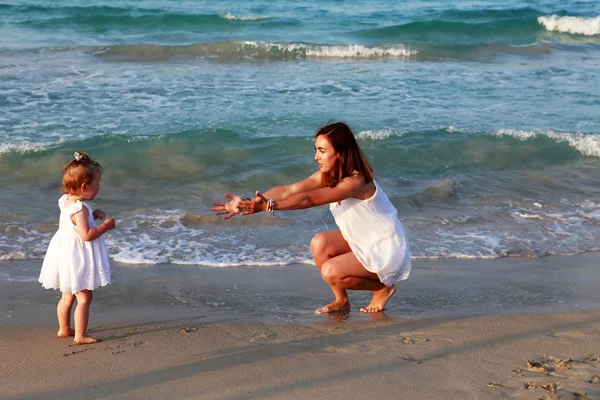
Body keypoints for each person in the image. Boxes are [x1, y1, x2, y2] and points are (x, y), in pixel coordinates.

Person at [212, 122, 411, 314]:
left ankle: (382, 288)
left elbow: (310, 199)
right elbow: (290, 190)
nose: (316, 157)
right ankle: (341, 300)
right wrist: (249, 202)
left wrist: (269, 206)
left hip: (384, 247)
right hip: (362, 240)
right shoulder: (330, 175)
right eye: (316, 150)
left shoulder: (356, 181)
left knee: (330, 271)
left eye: (322, 151)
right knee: (319, 243)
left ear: (340, 153)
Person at [39, 151, 115, 345]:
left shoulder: (66, 201)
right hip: (77, 257)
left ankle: (64, 329)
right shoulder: (79, 209)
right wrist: (104, 226)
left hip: (65, 253)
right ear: (84, 186)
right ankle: (80, 336)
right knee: (84, 296)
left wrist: (93, 215)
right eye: (97, 184)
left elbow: (74, 222)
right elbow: (86, 235)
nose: (99, 187)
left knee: (67, 295)